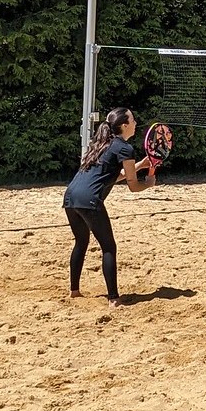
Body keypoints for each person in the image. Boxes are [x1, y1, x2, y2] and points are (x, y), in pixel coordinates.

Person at [64, 106, 156, 306]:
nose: (135, 124)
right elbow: (133, 186)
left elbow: (110, 177)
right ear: (124, 125)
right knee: (109, 247)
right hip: (89, 200)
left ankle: (74, 291)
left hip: (71, 197)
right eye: (133, 120)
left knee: (81, 242)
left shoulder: (100, 143)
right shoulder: (125, 148)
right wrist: (147, 185)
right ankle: (114, 299)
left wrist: (139, 165)